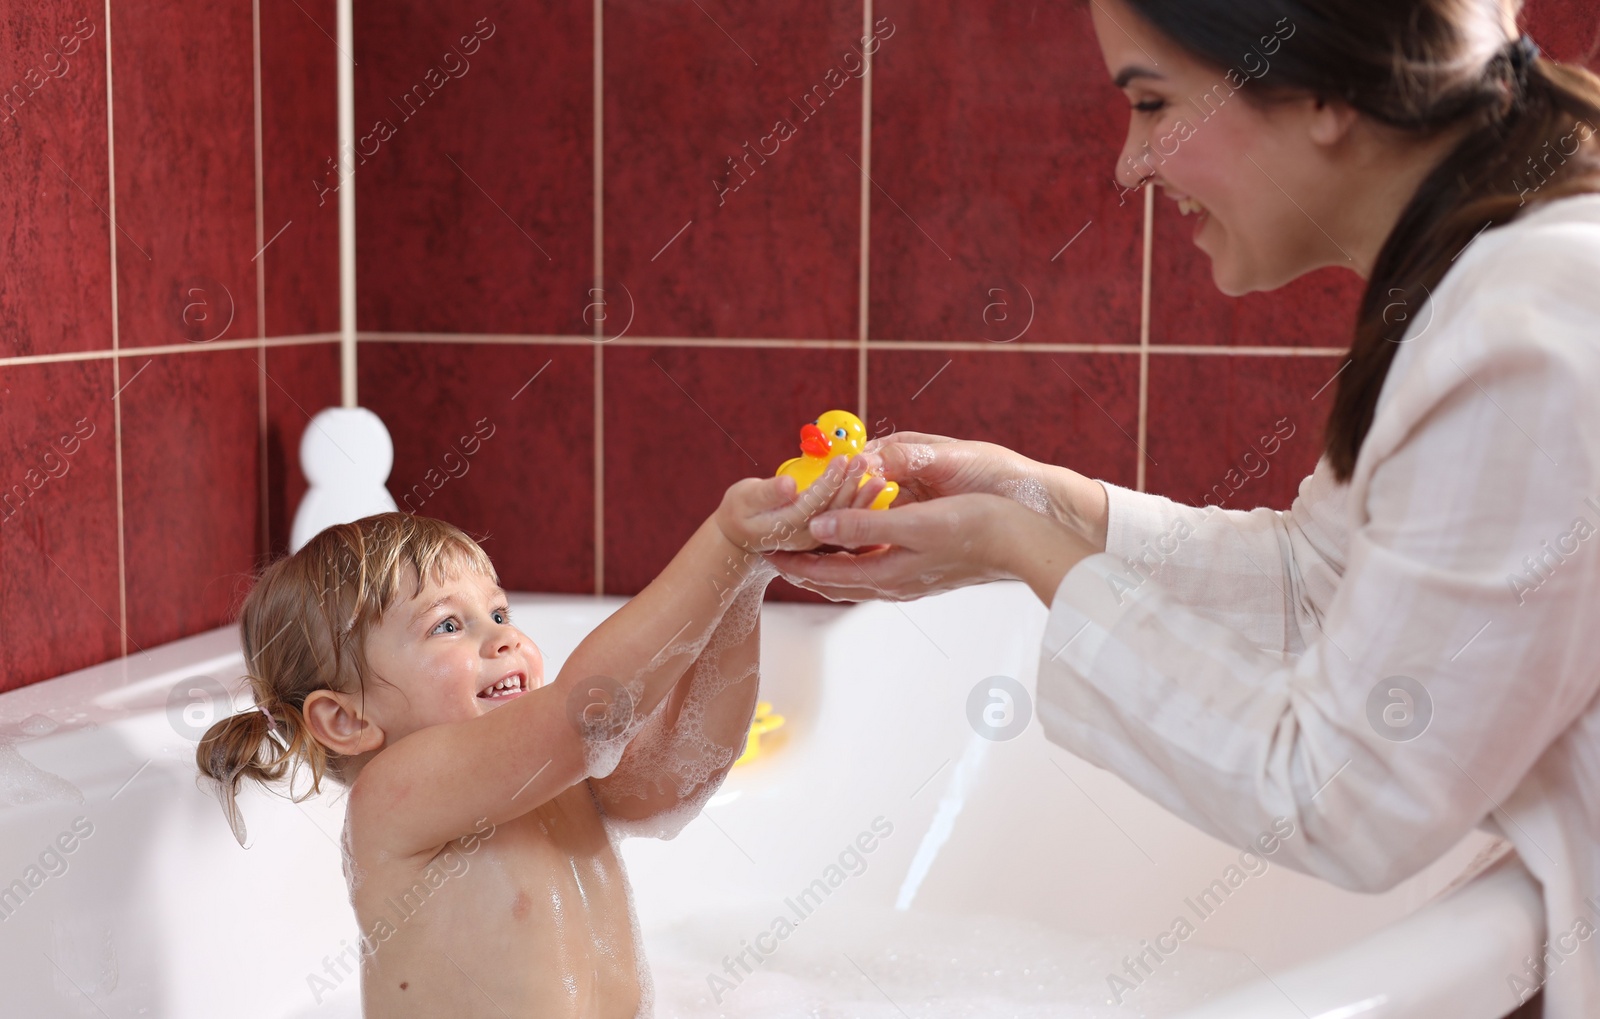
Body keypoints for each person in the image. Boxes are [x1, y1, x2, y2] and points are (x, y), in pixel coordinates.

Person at [770, 2, 1600, 1017]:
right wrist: (1039, 506)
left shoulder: (1533, 330)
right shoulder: (1492, 277)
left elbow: (1347, 795)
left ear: (1322, 90)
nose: (1129, 165)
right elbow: (1320, 582)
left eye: (1151, 101)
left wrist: (1020, 544)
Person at [194, 457, 871, 1018]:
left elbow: (681, 774)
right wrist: (723, 542)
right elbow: (587, 719)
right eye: (447, 626)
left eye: (497, 610)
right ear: (346, 719)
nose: (504, 637)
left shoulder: (552, 774)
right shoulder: (398, 793)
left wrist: (746, 581)